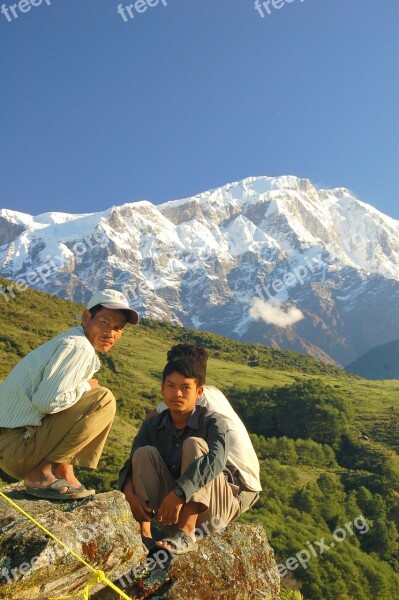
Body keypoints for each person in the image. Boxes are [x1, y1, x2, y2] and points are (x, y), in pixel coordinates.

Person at [0, 289, 138, 500]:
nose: (111, 333)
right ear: (86, 317)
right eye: (105, 322)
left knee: (86, 398)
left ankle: (64, 471)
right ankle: (41, 474)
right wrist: (86, 387)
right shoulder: (79, 347)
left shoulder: (73, 340)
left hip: (11, 445)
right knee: (102, 399)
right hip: (16, 448)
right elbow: (47, 402)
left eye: (118, 328)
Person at [119, 357, 240, 554]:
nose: (177, 393)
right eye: (171, 386)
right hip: (170, 512)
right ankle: (143, 532)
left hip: (215, 512)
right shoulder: (152, 425)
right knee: (143, 454)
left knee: (194, 444)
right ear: (162, 388)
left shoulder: (213, 422)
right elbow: (131, 463)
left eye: (185, 388)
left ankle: (187, 530)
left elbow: (216, 461)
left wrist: (180, 493)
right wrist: (128, 492)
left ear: (199, 392)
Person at [150, 344, 262, 515]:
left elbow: (150, 420)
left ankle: (184, 530)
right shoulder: (212, 392)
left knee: (190, 446)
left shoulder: (199, 401)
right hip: (243, 485)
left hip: (237, 487)